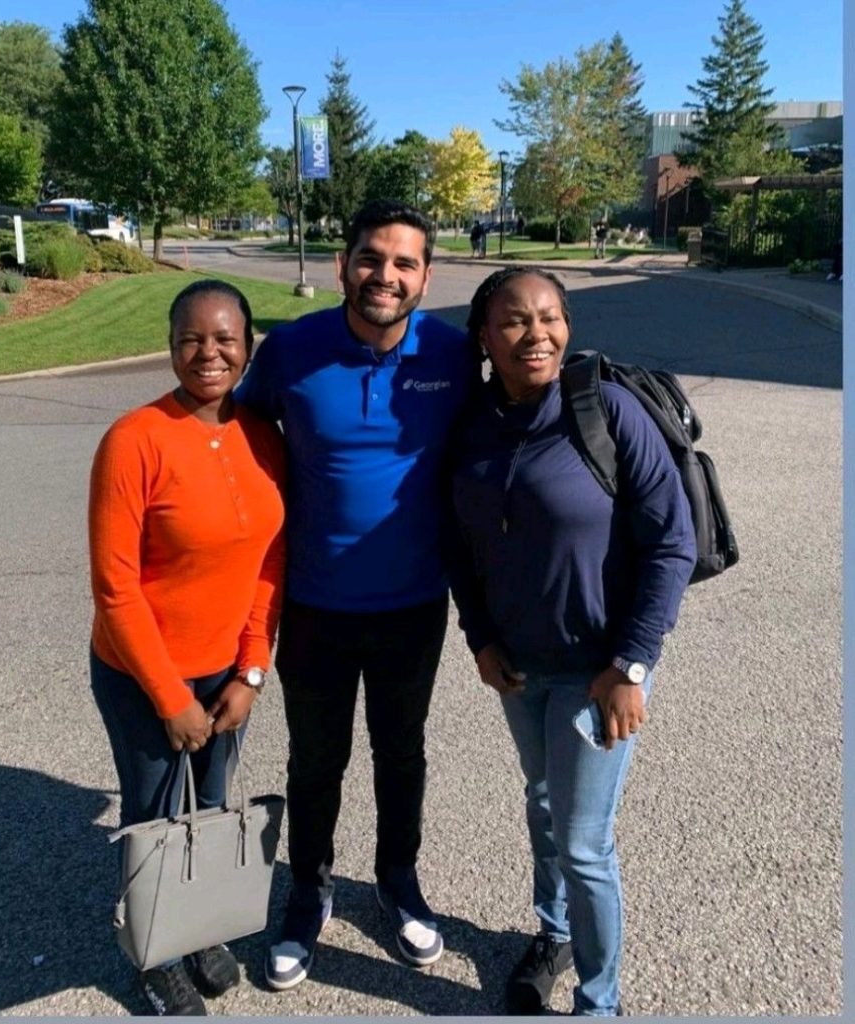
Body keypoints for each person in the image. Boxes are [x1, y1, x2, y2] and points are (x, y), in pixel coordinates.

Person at [236, 199, 476, 991]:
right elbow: (234, 445)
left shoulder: (452, 352)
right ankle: (309, 890)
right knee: (317, 758)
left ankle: (398, 881)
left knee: (401, 753)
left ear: (426, 276)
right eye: (372, 258)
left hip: (414, 604)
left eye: (405, 264)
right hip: (314, 603)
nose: (386, 276)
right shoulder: (292, 351)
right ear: (343, 264)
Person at [447, 267, 696, 1016]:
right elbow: (458, 545)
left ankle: (599, 1002)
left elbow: (672, 544)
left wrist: (632, 665)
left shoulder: (606, 410)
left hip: (601, 669)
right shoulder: (474, 425)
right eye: (516, 321)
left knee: (583, 843)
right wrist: (480, 636)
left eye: (551, 317)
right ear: (486, 338)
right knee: (542, 801)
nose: (538, 334)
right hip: (521, 667)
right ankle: (553, 935)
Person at [88, 279, 286, 1016]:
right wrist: (171, 697)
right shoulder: (133, 440)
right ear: (171, 346)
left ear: (248, 347)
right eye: (191, 339)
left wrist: (251, 672)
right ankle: (151, 953)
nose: (208, 352)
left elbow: (271, 565)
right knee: (151, 815)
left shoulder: (263, 437)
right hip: (144, 673)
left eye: (225, 338)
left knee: (209, 807)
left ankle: (197, 926)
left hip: (227, 672)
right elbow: (114, 588)